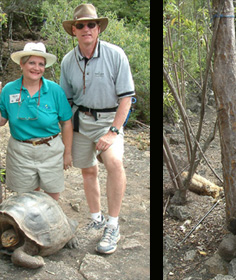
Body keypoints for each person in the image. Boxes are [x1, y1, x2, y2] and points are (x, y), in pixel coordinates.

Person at [59, 4, 134, 254]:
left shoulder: (115, 54)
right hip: (80, 120)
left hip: (109, 119)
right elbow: (66, 102)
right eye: (80, 25)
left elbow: (126, 98)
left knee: (113, 162)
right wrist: (64, 139)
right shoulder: (68, 61)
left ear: (98, 27)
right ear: (74, 30)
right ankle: (96, 218)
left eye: (91, 24)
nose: (86, 29)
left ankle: (113, 226)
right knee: (88, 170)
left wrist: (113, 131)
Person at [0, 42, 73, 201]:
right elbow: (0, 121)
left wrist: (67, 153)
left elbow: (67, 123)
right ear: (22, 64)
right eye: (32, 63)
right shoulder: (9, 90)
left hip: (51, 150)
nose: (37, 68)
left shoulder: (54, 90)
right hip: (20, 152)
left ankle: (51, 226)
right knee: (26, 199)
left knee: (52, 198)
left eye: (41, 64)